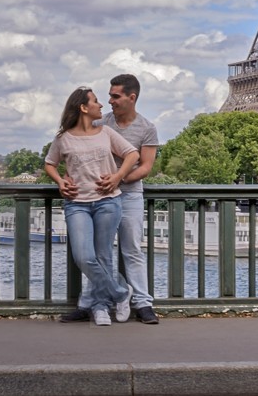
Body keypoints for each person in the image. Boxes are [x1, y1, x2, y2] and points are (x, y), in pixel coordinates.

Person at [59, 73, 161, 325]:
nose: (110, 101)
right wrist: (67, 179)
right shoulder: (99, 124)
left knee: (131, 249)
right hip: (96, 196)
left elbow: (146, 166)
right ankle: (94, 302)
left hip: (128, 195)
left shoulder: (146, 128)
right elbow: (75, 155)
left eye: (115, 96)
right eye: (109, 96)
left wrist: (118, 178)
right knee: (94, 254)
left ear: (131, 97)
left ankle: (142, 302)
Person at [44, 85, 139, 327]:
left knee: (103, 256)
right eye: (96, 101)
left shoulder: (106, 132)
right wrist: (60, 181)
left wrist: (117, 177)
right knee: (84, 256)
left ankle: (100, 308)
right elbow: (50, 163)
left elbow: (132, 155)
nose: (102, 105)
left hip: (108, 201)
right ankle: (120, 292)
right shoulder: (63, 139)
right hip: (77, 204)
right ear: (84, 108)